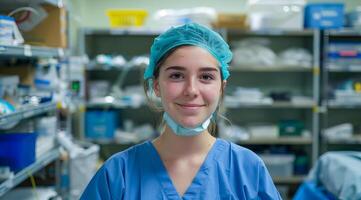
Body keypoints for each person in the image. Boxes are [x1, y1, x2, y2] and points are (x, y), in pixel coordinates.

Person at [80, 23, 282, 200]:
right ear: (156, 85)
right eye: (177, 75)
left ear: (222, 87)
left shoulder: (247, 170)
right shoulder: (117, 174)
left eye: (206, 77)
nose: (191, 90)